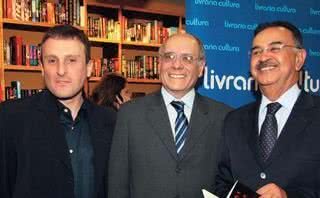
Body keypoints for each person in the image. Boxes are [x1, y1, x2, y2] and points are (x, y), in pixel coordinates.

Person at [108, 33, 232, 198]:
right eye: (169, 57)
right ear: (160, 64)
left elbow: (227, 182)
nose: (176, 65)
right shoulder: (130, 115)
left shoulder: (224, 117)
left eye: (187, 58)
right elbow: (117, 184)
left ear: (201, 68)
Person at [0, 25, 116, 198]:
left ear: (89, 68)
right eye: (52, 60)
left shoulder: (112, 122)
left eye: (71, 60)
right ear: (42, 68)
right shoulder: (10, 117)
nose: (61, 71)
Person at [215, 21, 320, 197]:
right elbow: (222, 182)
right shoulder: (234, 120)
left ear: (299, 58)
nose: (263, 58)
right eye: (256, 51)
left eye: (275, 48)